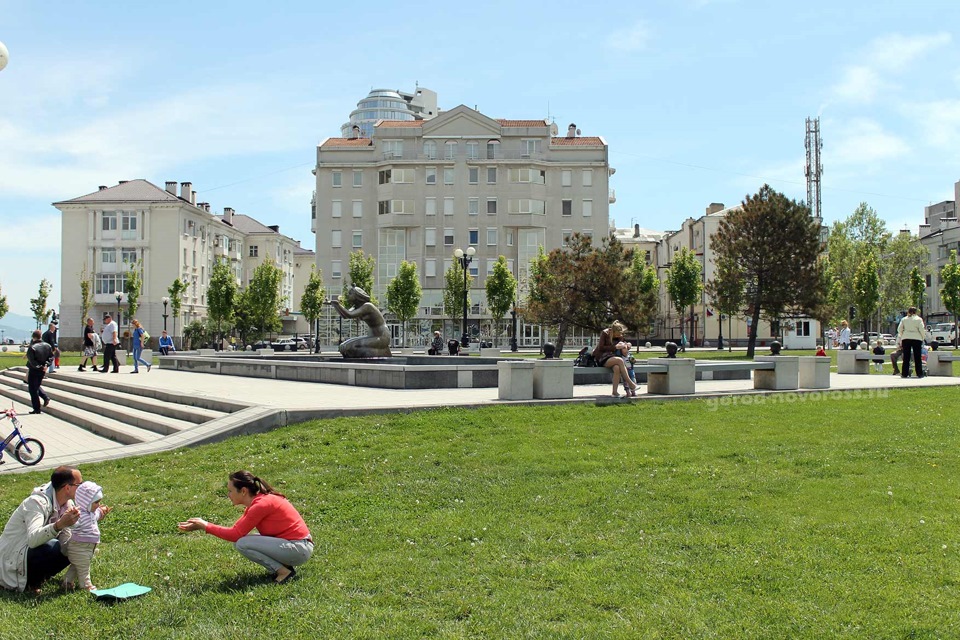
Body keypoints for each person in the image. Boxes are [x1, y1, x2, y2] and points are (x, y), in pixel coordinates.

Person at [178, 470, 313, 584]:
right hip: (297, 545)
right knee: (241, 541)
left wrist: (205, 525)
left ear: (243, 491)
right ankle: (284, 567)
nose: (228, 495)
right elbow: (236, 531)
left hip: (299, 548)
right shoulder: (258, 502)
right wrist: (204, 526)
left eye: (230, 491)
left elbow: (234, 534)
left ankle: (283, 572)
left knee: (242, 543)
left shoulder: (261, 505)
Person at [0, 466, 82, 593]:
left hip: (27, 554)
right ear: (67, 487)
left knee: (75, 544)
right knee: (52, 547)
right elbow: (33, 539)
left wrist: (91, 524)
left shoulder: (67, 503)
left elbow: (68, 541)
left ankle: (37, 579)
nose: (82, 488)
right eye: (79, 484)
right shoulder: (35, 503)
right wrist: (59, 525)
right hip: (12, 560)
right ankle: (28, 583)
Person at [60, 480, 111, 591]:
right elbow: (74, 525)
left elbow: (97, 514)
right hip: (79, 546)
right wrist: (71, 519)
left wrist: (103, 511)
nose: (98, 505)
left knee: (76, 565)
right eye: (96, 503)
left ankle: (67, 582)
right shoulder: (80, 515)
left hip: (86, 547)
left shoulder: (91, 513)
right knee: (84, 567)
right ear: (86, 502)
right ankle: (86, 585)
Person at [329, 286, 392, 358]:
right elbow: (345, 315)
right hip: (372, 335)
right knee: (343, 346)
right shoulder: (357, 307)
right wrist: (335, 305)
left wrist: (337, 304)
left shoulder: (368, 306)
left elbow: (349, 315)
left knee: (350, 346)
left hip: (382, 336)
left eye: (350, 293)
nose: (348, 295)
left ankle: (380, 352)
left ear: (357, 295)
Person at [592, 320, 638, 398]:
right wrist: (615, 347)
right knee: (620, 360)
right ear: (613, 331)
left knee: (617, 368)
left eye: (620, 334)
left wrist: (627, 345)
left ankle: (615, 392)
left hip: (612, 357)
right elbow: (601, 347)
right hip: (602, 358)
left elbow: (624, 343)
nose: (619, 336)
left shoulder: (619, 336)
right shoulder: (605, 333)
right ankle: (631, 384)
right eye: (618, 334)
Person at [25, 330, 52, 415]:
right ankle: (45, 397)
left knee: (32, 389)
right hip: (43, 370)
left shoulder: (32, 347)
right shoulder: (48, 346)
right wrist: (46, 365)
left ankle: (37, 408)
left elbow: (32, 361)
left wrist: (40, 367)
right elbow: (51, 357)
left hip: (34, 370)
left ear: (33, 337)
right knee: (36, 386)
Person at [897, 306, 926, 378]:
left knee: (906, 356)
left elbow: (899, 329)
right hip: (917, 338)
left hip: (906, 338)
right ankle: (919, 373)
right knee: (917, 356)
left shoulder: (904, 319)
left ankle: (904, 373)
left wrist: (902, 335)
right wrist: (922, 337)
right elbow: (922, 329)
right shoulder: (919, 319)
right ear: (916, 312)